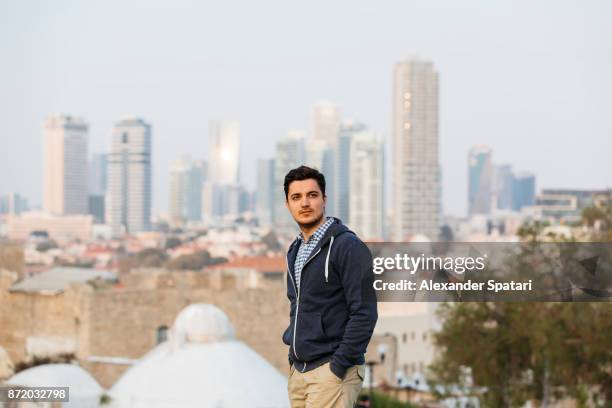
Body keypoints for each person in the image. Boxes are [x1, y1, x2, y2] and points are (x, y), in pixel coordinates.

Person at [281, 165, 378, 408]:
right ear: (288, 204)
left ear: (324, 199)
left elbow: (365, 312)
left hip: (331, 372)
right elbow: (298, 306)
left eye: (312, 195)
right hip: (300, 373)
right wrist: (293, 360)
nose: (305, 203)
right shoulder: (295, 250)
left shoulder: (348, 246)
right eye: (296, 197)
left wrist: (338, 365)